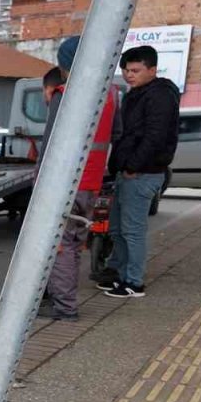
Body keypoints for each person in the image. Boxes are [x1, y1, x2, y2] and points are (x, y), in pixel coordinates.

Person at [38, 37, 119, 321]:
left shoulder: (66, 94)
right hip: (92, 182)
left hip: (64, 184)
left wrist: (39, 182)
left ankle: (64, 307)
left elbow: (50, 144)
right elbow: (115, 134)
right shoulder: (110, 93)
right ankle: (61, 300)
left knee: (59, 246)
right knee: (74, 245)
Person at [102, 44, 180, 299]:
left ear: (152, 70)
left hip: (142, 173)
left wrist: (134, 166)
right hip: (129, 172)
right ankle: (120, 276)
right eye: (125, 70)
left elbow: (154, 137)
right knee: (118, 229)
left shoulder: (160, 96)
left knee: (132, 231)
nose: (128, 74)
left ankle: (133, 283)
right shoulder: (137, 93)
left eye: (135, 70)